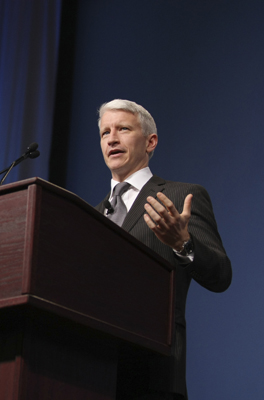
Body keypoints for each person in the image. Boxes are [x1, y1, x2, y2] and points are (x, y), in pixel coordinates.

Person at [95, 99, 232, 400]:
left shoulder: (181, 196)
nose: (112, 139)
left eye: (123, 129)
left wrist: (183, 243)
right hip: (90, 371)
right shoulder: (91, 214)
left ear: (150, 141)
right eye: (105, 133)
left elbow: (221, 274)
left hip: (153, 370)